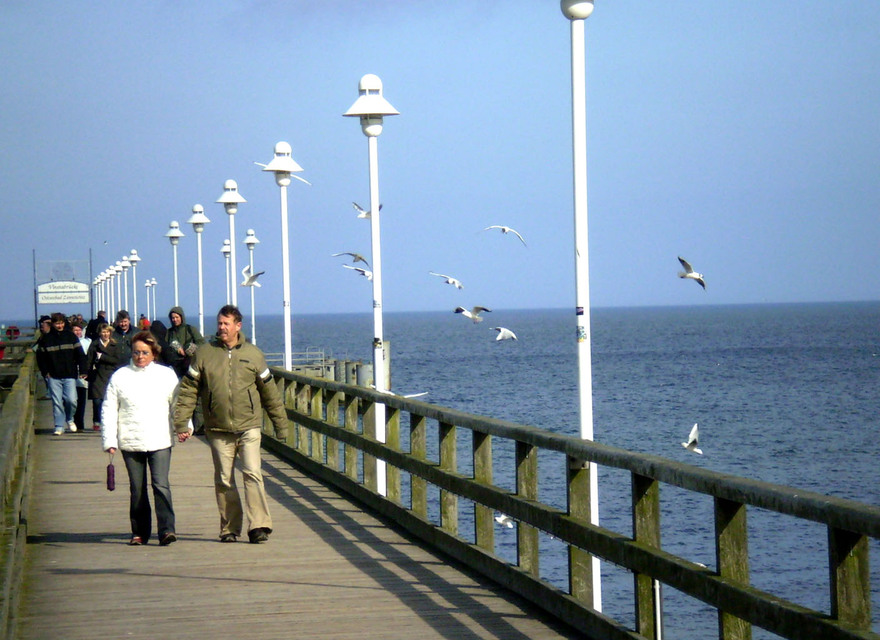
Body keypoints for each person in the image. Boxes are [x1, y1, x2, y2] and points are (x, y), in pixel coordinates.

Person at [173, 305, 288, 544]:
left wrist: (281, 425)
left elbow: (270, 393)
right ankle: (229, 528)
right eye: (219, 323)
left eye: (226, 323)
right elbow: (188, 389)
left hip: (249, 426)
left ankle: (259, 526)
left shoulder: (254, 354)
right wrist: (181, 422)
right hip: (218, 428)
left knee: (253, 473)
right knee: (224, 479)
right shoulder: (204, 353)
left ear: (238, 326)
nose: (221, 327)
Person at [102, 331, 187, 546]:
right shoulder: (120, 376)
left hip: (160, 438)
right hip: (130, 440)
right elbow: (109, 409)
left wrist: (183, 427)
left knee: (160, 485)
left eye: (145, 352)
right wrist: (109, 440)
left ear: (154, 353)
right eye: (136, 352)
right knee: (137, 488)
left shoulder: (166, 375)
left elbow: (178, 404)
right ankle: (139, 532)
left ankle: (167, 530)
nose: (140, 356)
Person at [36, 312, 87, 435]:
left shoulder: (71, 337)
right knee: (57, 402)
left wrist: (83, 370)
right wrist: (45, 372)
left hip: (70, 374)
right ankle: (59, 426)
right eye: (57, 323)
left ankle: (70, 419)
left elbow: (80, 355)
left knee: (72, 400)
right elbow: (40, 357)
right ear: (53, 324)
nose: (59, 325)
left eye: (61, 323)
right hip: (53, 375)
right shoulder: (46, 339)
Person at [86, 322, 122, 431]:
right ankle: (96, 421)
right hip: (97, 375)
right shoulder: (94, 344)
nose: (105, 334)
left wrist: (102, 357)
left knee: (111, 401)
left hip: (111, 375)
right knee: (97, 400)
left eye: (107, 332)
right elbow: (89, 360)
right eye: (103, 332)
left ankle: (110, 421)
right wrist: (86, 373)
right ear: (100, 333)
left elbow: (117, 361)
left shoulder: (115, 345)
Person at [165, 307, 204, 379]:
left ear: (181, 317)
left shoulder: (190, 329)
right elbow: (165, 345)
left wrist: (190, 348)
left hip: (189, 364)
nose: (175, 320)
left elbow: (201, 342)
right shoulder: (169, 332)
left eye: (177, 317)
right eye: (173, 318)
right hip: (174, 366)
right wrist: (176, 346)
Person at [72, 324, 91, 433]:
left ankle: (80, 424)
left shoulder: (87, 342)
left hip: (83, 374)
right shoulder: (69, 341)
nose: (77, 332)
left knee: (81, 400)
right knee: (71, 400)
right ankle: (72, 419)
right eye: (75, 330)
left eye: (79, 330)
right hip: (71, 374)